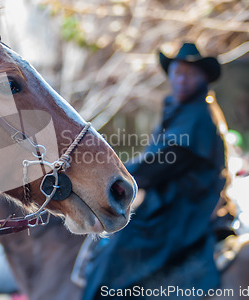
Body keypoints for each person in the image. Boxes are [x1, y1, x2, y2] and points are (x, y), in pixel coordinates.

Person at [82, 42, 226, 300]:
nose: (182, 80)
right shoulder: (180, 109)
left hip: (183, 210)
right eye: (177, 73)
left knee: (118, 254)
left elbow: (158, 163)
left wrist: (111, 175)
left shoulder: (196, 117)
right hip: (169, 203)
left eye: (190, 74)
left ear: (203, 78)